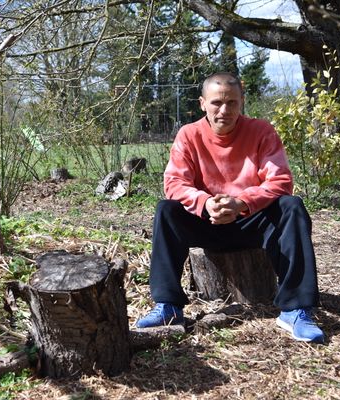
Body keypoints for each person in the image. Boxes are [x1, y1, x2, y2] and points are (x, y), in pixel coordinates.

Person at [135, 72, 324, 343]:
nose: (225, 110)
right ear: (202, 103)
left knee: (291, 206)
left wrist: (241, 203)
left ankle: (295, 309)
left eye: (232, 103)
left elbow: (281, 180)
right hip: (206, 222)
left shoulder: (261, 131)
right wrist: (205, 203)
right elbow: (175, 183)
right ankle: (168, 306)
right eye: (216, 103)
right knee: (166, 210)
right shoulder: (189, 135)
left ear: (242, 102)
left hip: (252, 221)